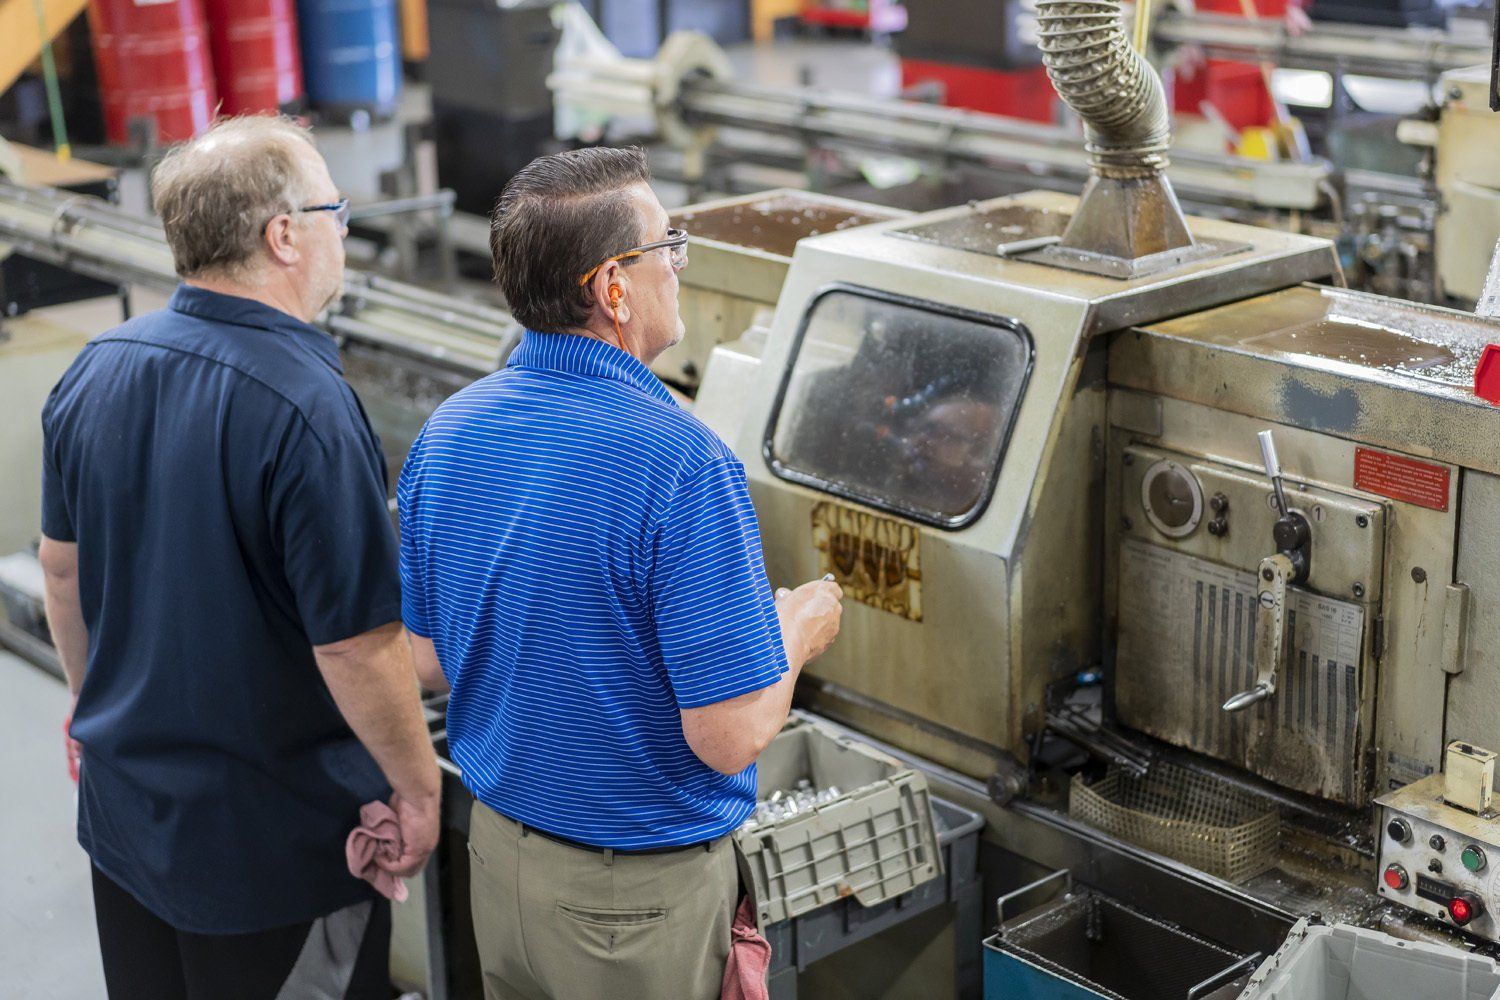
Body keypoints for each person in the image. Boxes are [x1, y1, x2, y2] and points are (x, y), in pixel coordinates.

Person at [397, 146, 844, 1000]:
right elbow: (726, 737)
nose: (677, 265)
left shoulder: (450, 431)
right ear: (613, 288)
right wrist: (794, 633)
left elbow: (429, 662)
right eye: (667, 246)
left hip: (501, 866)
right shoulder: (682, 463)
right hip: (631, 912)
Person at [38, 115, 440, 1000]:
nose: (345, 232)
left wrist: (92, 710)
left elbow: (60, 570)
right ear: (284, 235)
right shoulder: (308, 408)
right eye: (335, 211)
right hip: (268, 855)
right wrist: (417, 791)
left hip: (127, 820)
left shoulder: (96, 367)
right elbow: (355, 646)